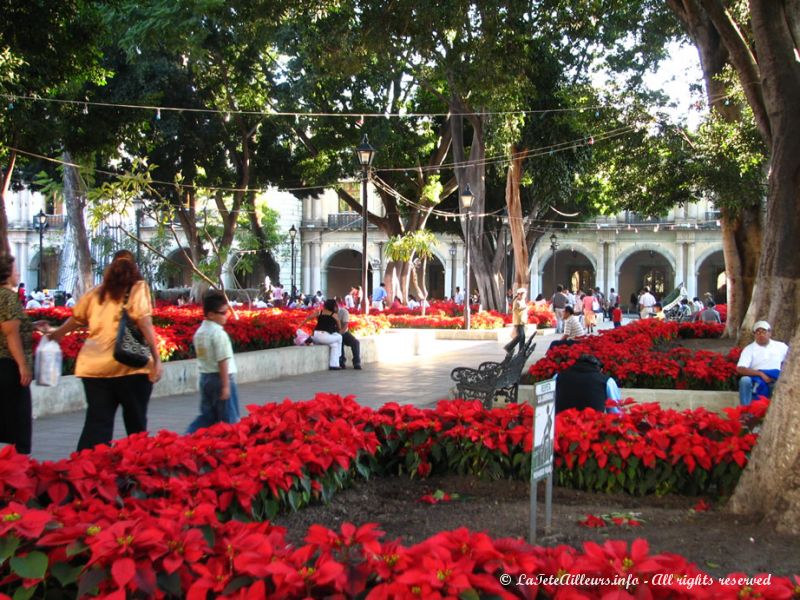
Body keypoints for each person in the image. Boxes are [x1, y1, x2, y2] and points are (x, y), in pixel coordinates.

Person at [48, 250, 163, 451]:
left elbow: (75, 319)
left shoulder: (96, 293)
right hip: (130, 366)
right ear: (134, 268)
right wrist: (157, 359)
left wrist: (56, 334)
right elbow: (144, 323)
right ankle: (136, 467)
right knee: (136, 424)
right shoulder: (138, 288)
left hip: (93, 368)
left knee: (97, 423)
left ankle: (87, 470)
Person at [186, 292, 240, 433]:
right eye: (222, 313)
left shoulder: (199, 333)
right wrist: (226, 386)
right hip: (221, 378)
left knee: (207, 417)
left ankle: (189, 435)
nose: (226, 315)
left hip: (205, 378)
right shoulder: (219, 334)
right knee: (229, 418)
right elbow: (222, 360)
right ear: (210, 315)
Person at [0, 256, 37, 453]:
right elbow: (10, 332)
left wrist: (34, 326)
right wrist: (22, 365)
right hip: (8, 364)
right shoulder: (7, 297)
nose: (18, 273)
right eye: (15, 269)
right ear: (6, 273)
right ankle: (16, 466)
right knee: (18, 419)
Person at [736, 320, 789, 406]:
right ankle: (745, 410)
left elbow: (790, 361)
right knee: (744, 380)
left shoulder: (781, 346)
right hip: (756, 378)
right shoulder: (749, 349)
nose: (761, 334)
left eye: (764, 331)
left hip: (776, 377)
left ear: (770, 333)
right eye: (758, 332)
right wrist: (760, 374)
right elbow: (740, 368)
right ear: (754, 334)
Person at [555, 354, 621, 415]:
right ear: (600, 370)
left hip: (562, 423)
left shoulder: (557, 377)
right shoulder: (607, 381)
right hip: (591, 425)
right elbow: (615, 412)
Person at [302, 298, 343, 370]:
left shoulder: (319, 312)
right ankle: (339, 356)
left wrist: (300, 325)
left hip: (316, 334)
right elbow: (339, 327)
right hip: (325, 337)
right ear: (333, 306)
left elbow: (309, 318)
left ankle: (334, 365)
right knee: (339, 337)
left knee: (334, 345)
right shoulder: (334, 315)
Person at [336, 297, 362, 370]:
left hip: (343, 332)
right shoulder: (329, 313)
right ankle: (341, 361)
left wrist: (339, 334)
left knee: (355, 342)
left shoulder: (343, 312)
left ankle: (356, 362)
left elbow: (345, 326)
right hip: (334, 333)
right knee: (339, 341)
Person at [505, 287, 528, 354]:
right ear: (520, 294)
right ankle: (509, 347)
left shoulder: (521, 300)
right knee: (520, 336)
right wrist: (526, 307)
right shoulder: (517, 301)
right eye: (524, 294)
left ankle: (521, 350)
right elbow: (519, 308)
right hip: (518, 321)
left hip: (522, 321)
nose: (525, 296)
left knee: (522, 337)